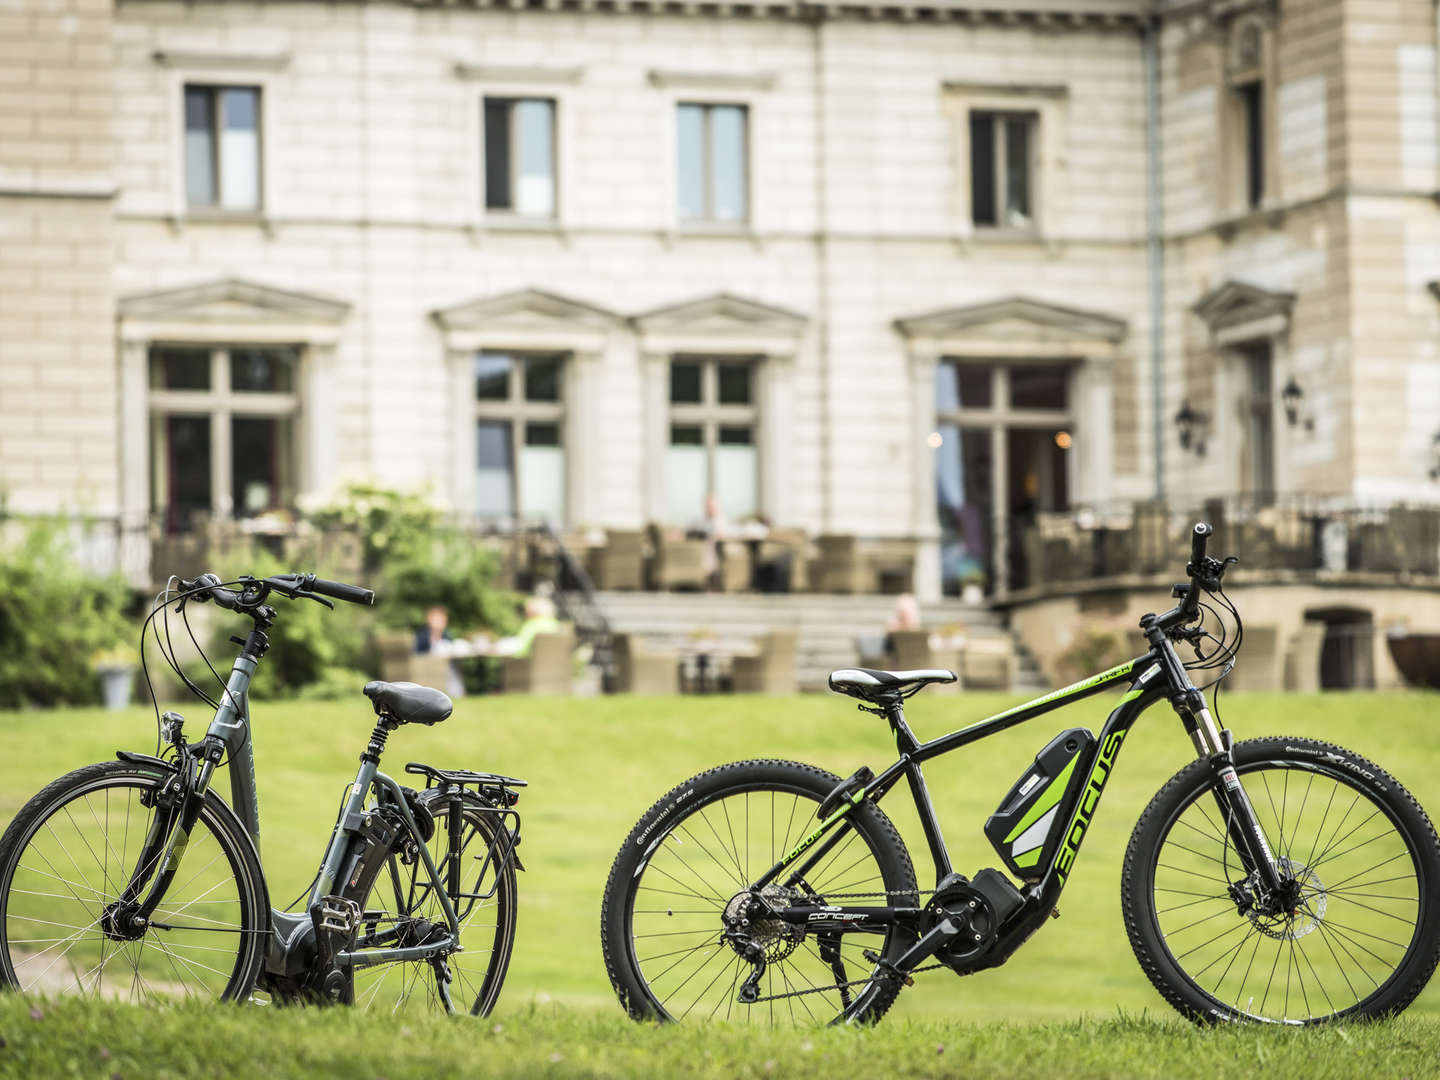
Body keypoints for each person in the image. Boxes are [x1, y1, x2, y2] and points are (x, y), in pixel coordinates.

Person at [492, 595, 560, 658]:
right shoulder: (555, 625)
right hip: (553, 666)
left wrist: (498, 646)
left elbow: (521, 646)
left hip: (527, 665)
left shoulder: (532, 625)